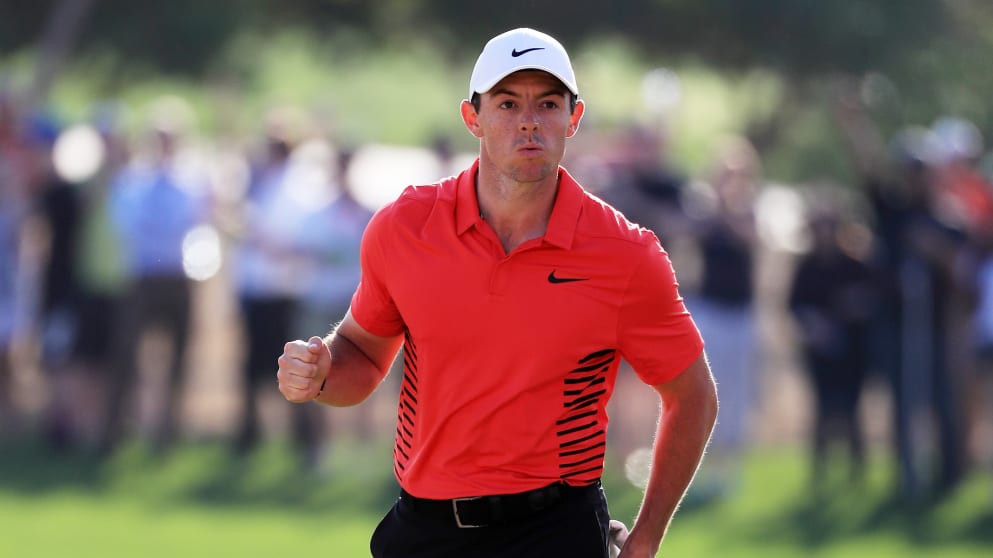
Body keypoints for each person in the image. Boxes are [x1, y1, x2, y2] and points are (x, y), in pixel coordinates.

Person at [277, 28, 718, 558]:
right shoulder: (405, 227)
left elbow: (693, 397)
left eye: (547, 103)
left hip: (555, 532)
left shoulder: (626, 255)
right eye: (507, 103)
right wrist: (321, 373)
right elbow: (363, 357)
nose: (528, 121)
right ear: (473, 118)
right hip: (424, 531)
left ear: (573, 119)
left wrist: (645, 541)